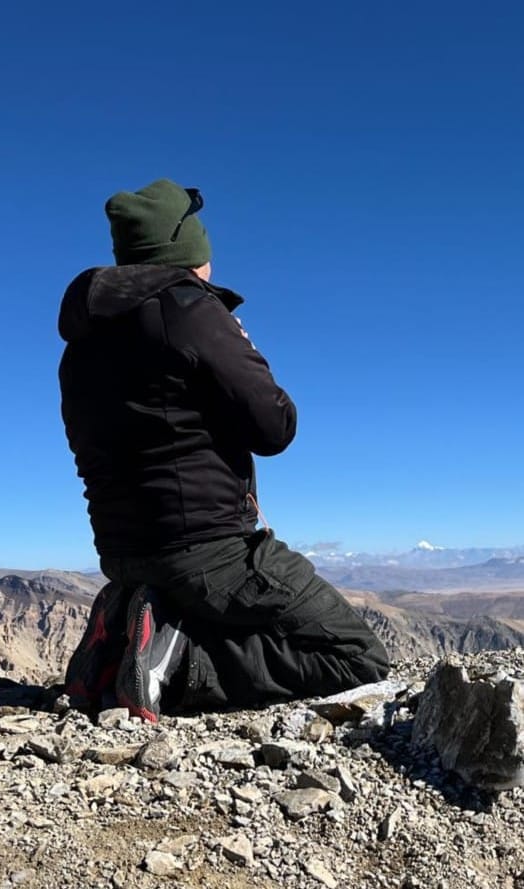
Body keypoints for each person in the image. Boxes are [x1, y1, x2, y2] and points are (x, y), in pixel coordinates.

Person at [59, 178, 389, 722]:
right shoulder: (189, 311)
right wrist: (244, 347)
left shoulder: (79, 348)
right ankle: (177, 663)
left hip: (122, 552)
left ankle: (124, 639)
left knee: (225, 612)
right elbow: (275, 427)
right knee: (356, 655)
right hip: (213, 551)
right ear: (189, 249)